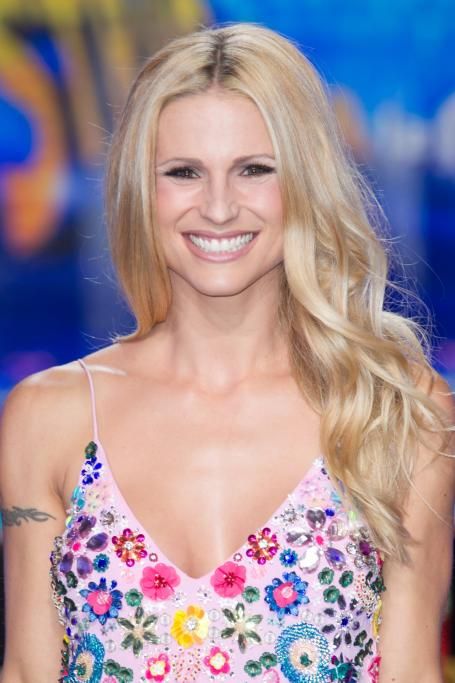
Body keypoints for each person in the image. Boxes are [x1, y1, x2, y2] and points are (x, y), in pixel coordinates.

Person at [0, 21, 454, 683]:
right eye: (184, 172)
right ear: (140, 189)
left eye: (254, 170)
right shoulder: (48, 416)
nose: (217, 207)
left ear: (305, 182)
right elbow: (26, 667)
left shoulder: (399, 410)